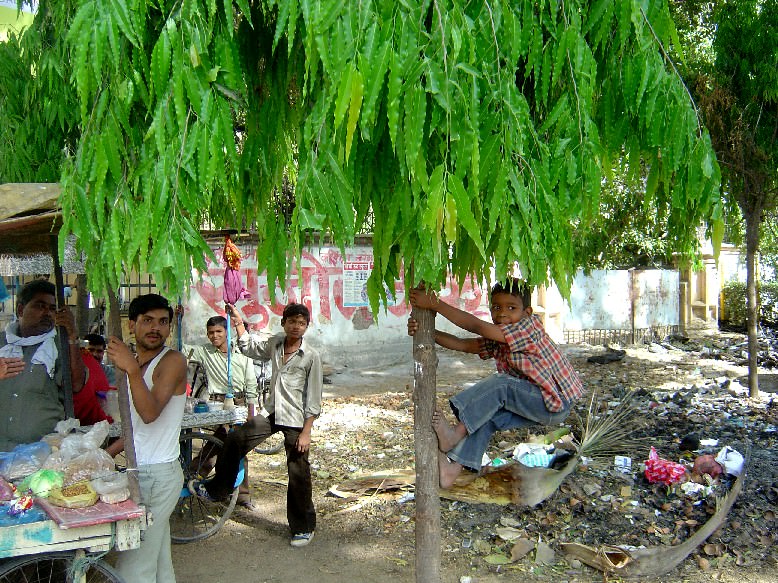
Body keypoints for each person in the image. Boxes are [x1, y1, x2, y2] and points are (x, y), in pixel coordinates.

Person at [407, 279, 584, 488]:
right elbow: (464, 345)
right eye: (496, 307)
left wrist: (436, 304)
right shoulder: (501, 335)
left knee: (502, 385)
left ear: (526, 312)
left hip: (552, 402)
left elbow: (476, 326)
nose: (502, 314)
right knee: (487, 418)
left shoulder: (527, 328)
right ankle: (450, 471)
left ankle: (454, 435)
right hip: (536, 400)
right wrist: (428, 332)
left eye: (511, 308)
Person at [192, 302, 323, 548]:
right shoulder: (275, 343)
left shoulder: (311, 357)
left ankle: (303, 527)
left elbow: (314, 398)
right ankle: (219, 488)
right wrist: (239, 322)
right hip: (273, 411)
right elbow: (250, 347)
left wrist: (307, 432)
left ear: (306, 327)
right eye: (292, 321)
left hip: (296, 419)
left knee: (298, 473)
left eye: (301, 323)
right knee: (236, 438)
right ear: (284, 323)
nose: (296, 327)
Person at [106, 294, 187, 583]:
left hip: (158, 475)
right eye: (147, 321)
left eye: (163, 322)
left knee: (134, 565)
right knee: (158, 559)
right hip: (140, 471)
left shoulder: (173, 361)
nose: (156, 328)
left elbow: (150, 413)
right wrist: (108, 452)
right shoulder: (138, 364)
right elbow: (139, 427)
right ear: (132, 325)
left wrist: (130, 368)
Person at [0, 279, 86, 451]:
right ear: (20, 310)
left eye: (52, 309)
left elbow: (76, 384)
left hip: (41, 453)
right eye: (40, 306)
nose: (47, 313)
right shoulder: (3, 342)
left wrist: (72, 337)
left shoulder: (60, 345)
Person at [183, 315, 258, 509]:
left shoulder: (242, 352)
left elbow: (251, 383)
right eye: (210, 333)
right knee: (220, 446)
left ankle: (240, 493)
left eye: (218, 332)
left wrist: (251, 410)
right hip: (218, 405)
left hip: (239, 405)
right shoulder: (205, 352)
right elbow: (181, 349)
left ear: (227, 332)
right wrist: (177, 319)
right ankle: (197, 478)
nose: (214, 336)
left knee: (236, 449)